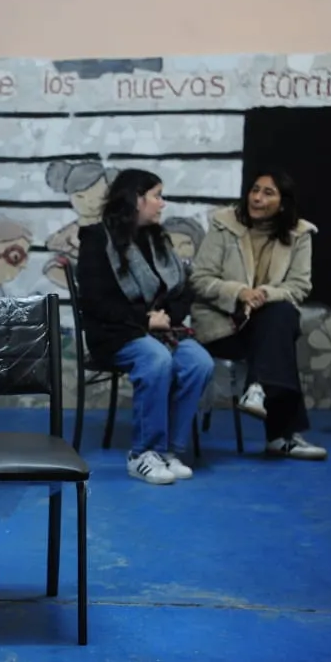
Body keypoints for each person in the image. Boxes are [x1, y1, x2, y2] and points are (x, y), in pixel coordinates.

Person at [75, 169, 214, 485]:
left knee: (199, 362)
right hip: (114, 334)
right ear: (136, 199)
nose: (162, 204)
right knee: (156, 358)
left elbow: (182, 290)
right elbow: (95, 301)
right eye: (157, 196)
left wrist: (166, 317)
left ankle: (168, 451)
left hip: (161, 333)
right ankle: (143, 454)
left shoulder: (157, 240)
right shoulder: (97, 239)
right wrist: (144, 319)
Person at [190, 168, 326, 460]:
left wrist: (263, 294)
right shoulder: (225, 224)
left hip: (266, 327)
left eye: (268, 193)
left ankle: (258, 388)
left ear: (283, 203)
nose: (257, 198)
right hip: (223, 326)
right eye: (255, 190)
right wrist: (240, 292)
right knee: (280, 333)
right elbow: (200, 279)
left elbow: (299, 287)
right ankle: (280, 434)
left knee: (280, 315)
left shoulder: (300, 234)